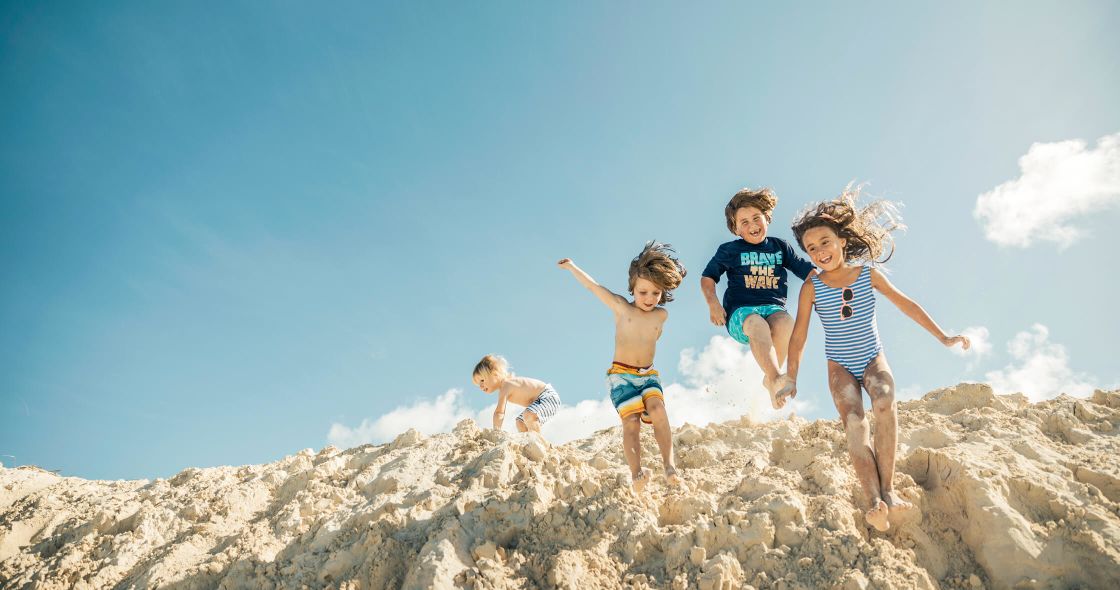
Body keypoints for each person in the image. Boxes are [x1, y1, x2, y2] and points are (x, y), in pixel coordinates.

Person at [784, 186, 970, 531]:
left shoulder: (868, 275)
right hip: (839, 366)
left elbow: (907, 305)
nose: (820, 252)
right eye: (811, 248)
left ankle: (889, 490)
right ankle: (873, 501)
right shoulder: (812, 288)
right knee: (855, 424)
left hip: (872, 358)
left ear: (842, 241)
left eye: (825, 242)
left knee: (884, 402)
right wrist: (791, 376)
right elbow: (799, 336)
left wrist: (944, 336)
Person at [558, 241, 686, 492]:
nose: (649, 299)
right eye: (643, 292)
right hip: (621, 376)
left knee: (658, 410)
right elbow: (594, 287)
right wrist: (572, 267)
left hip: (648, 374)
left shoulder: (661, 316)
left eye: (656, 293)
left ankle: (669, 466)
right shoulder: (621, 308)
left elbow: (653, 338)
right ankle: (637, 473)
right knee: (632, 423)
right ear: (632, 289)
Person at [701, 187, 815, 409]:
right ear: (735, 228)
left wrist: (827, 288)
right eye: (744, 222)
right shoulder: (730, 250)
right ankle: (775, 377)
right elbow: (708, 278)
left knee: (786, 323)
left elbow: (807, 271)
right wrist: (713, 304)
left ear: (767, 218)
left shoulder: (780, 247)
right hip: (741, 313)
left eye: (756, 218)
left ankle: (770, 377)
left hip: (773, 308)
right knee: (757, 324)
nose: (752, 225)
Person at [472, 354, 561, 435]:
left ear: (495, 374)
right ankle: (529, 442)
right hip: (538, 402)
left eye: (482, 380)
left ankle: (537, 441)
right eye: (478, 384)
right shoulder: (504, 388)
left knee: (528, 415)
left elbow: (499, 412)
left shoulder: (506, 385)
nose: (481, 386)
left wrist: (496, 431)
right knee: (520, 422)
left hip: (547, 396)